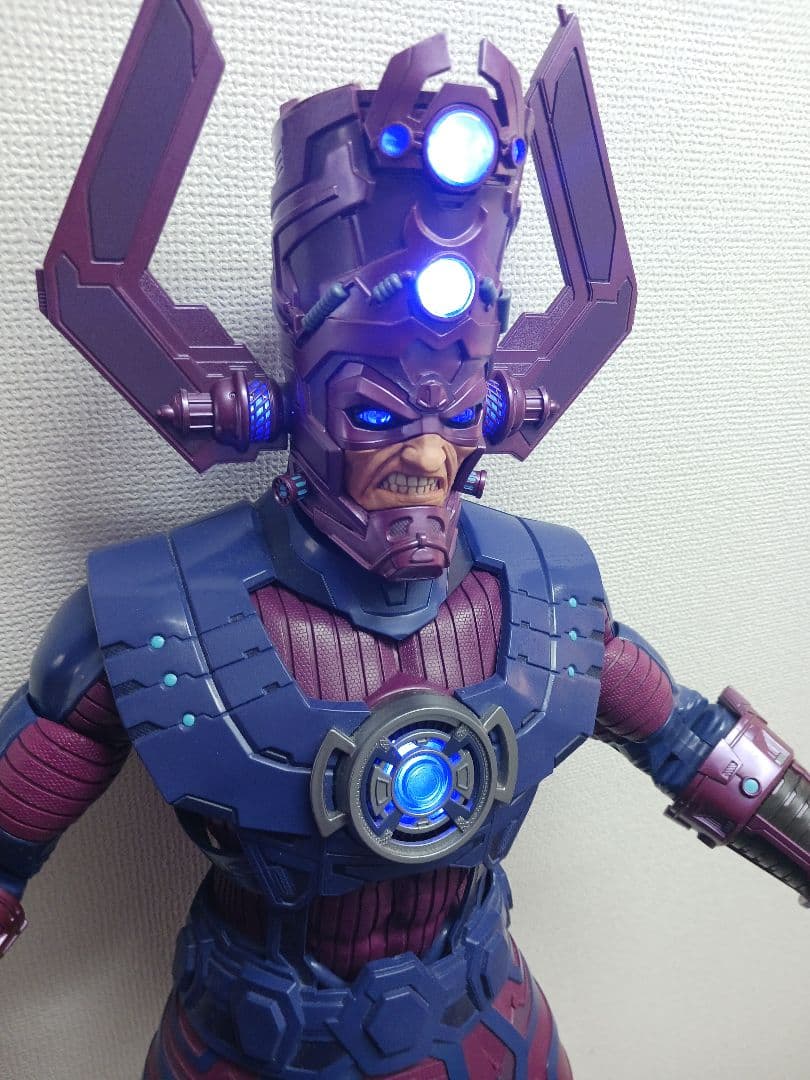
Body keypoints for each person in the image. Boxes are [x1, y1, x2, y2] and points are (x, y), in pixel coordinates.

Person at [2, 0, 808, 1076]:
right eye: (378, 412)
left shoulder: (543, 592)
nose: (426, 458)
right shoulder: (155, 616)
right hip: (248, 1044)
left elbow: (694, 742)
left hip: (486, 1029)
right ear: (292, 396)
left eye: (457, 412)